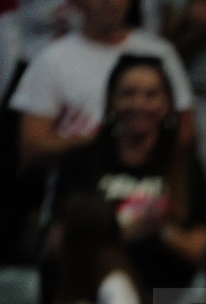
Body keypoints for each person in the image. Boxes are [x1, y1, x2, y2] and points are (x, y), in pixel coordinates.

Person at [51, 53, 206, 299]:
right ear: (111, 101)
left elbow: (205, 251)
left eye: (151, 95)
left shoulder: (186, 165)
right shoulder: (82, 160)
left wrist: (161, 230)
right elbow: (57, 244)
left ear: (167, 104)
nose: (139, 104)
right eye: (128, 94)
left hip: (167, 301)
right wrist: (125, 232)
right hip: (92, 296)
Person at [10, 0, 193, 175]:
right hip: (78, 189)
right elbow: (31, 148)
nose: (109, 1)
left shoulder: (160, 53)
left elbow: (186, 133)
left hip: (149, 187)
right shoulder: (51, 59)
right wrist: (105, 141)